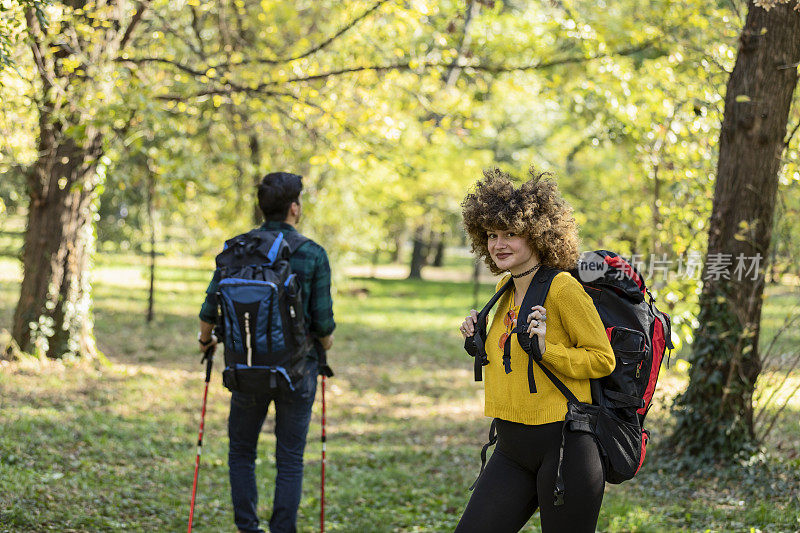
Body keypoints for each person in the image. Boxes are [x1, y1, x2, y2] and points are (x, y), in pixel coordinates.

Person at [455, 168, 615, 533]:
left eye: (512, 233)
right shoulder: (505, 289)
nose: (499, 244)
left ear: (539, 235)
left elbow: (602, 359)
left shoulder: (562, 288)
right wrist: (476, 340)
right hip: (511, 445)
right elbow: (510, 357)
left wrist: (549, 350)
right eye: (492, 235)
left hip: (565, 446)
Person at [197, 172, 335, 533]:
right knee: (289, 457)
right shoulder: (312, 253)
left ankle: (247, 528)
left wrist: (205, 341)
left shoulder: (236, 250)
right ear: (294, 207)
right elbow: (324, 326)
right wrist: (322, 347)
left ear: (262, 207)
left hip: (246, 369)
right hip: (298, 372)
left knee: (241, 452)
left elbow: (208, 312)